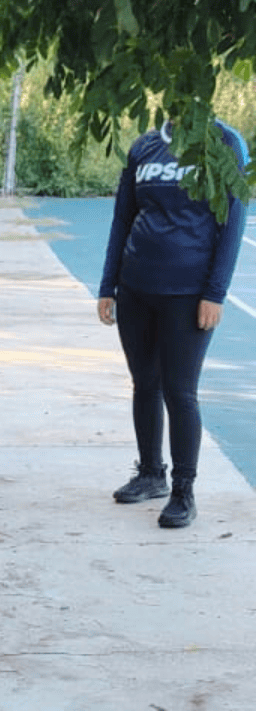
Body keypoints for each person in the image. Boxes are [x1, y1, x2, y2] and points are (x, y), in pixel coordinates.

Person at [98, 119, 248, 529]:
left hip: (188, 293)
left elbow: (234, 221)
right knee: (145, 383)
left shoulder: (224, 142)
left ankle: (184, 491)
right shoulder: (144, 146)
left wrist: (215, 292)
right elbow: (122, 218)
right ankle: (151, 474)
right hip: (136, 287)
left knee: (180, 391)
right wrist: (108, 285)